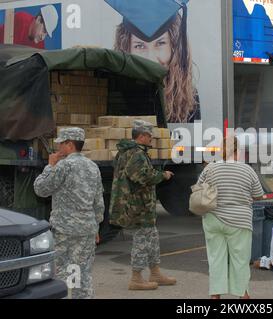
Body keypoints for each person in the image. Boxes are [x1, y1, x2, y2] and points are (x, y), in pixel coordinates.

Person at [33, 127, 104, 299]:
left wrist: (49, 166)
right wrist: (95, 227)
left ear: (70, 144)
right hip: (86, 229)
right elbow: (98, 203)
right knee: (82, 274)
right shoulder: (93, 166)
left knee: (61, 274)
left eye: (61, 144)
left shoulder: (63, 166)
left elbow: (40, 189)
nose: (58, 148)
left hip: (64, 230)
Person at [106, 0, 201, 123]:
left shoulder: (188, 97)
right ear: (126, 49)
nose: (150, 58)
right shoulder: (115, 95)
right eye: (139, 46)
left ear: (174, 48)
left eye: (160, 43)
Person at [109, 120, 176, 290]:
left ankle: (155, 272)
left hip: (144, 206)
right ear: (141, 136)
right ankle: (136, 278)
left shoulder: (133, 152)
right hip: (138, 206)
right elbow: (142, 176)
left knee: (151, 238)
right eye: (149, 135)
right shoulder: (135, 153)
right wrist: (163, 175)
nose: (151, 138)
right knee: (142, 240)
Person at [198, 136, 264, 299]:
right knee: (240, 261)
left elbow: (198, 190)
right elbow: (258, 195)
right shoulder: (247, 170)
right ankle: (243, 295)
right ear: (237, 151)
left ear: (222, 150)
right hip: (239, 221)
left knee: (216, 260)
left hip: (213, 218)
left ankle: (215, 296)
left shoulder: (210, 168)